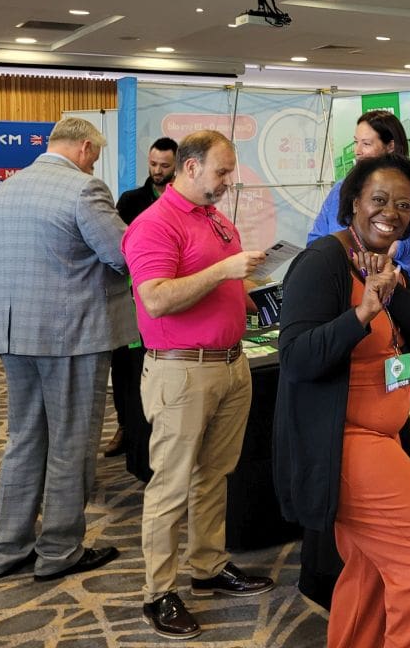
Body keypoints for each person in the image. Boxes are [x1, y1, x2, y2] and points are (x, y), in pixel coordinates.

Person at [275, 154, 410, 648]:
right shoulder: (322, 263)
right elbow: (295, 359)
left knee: (372, 569)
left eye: (404, 204)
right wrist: (360, 314)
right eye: (379, 200)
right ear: (354, 202)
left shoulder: (384, 264)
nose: (392, 212)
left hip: (383, 438)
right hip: (344, 443)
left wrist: (393, 288)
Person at [123, 130, 273, 640]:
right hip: (181, 370)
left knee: (215, 475)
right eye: (222, 172)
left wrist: (259, 292)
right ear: (190, 168)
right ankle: (158, 593)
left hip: (231, 365)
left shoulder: (215, 218)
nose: (228, 182)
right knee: (169, 486)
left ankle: (208, 568)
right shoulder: (153, 225)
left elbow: (229, 284)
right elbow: (158, 299)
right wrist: (223, 270)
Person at [0, 117, 135, 582]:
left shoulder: (6, 190)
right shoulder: (84, 190)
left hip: (15, 332)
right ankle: (59, 551)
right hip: (71, 336)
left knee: (24, 439)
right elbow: (124, 254)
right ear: (86, 147)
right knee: (71, 444)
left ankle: (8, 548)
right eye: (94, 155)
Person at [105, 136, 179, 458]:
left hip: (172, 300)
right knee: (124, 367)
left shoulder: (184, 199)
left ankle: (158, 432)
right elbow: (117, 248)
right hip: (132, 300)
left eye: (164, 165)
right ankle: (125, 426)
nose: (158, 170)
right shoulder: (131, 199)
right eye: (153, 164)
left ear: (177, 164)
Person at [310, 111, 410, 294]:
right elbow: (316, 239)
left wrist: (381, 254)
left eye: (366, 144)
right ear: (355, 203)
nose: (358, 150)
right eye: (356, 142)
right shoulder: (341, 189)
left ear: (390, 146)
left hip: (398, 288)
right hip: (346, 289)